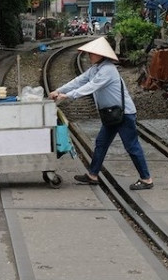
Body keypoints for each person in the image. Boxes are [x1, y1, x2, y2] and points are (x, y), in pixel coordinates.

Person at [49, 35, 153, 190]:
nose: (90, 55)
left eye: (92, 53)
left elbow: (91, 86)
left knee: (131, 146)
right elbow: (79, 81)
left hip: (123, 114)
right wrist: (59, 90)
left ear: (101, 55)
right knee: (101, 143)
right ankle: (93, 175)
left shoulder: (108, 70)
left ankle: (146, 179)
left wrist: (68, 95)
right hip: (110, 114)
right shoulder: (95, 69)